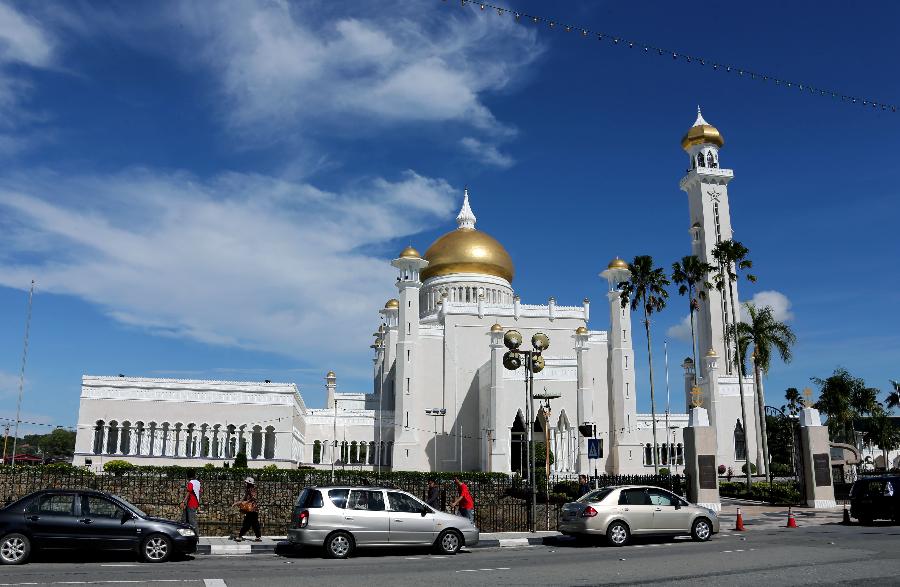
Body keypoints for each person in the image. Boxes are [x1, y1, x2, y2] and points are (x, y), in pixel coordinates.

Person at [234, 476, 261, 542]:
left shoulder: (251, 489)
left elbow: (254, 498)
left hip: (252, 509)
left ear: (249, 483)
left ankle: (240, 536)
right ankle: (258, 537)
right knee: (254, 523)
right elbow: (244, 499)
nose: (245, 483)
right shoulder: (248, 490)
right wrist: (236, 503)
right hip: (253, 510)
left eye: (246, 482)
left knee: (247, 523)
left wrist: (247, 502)